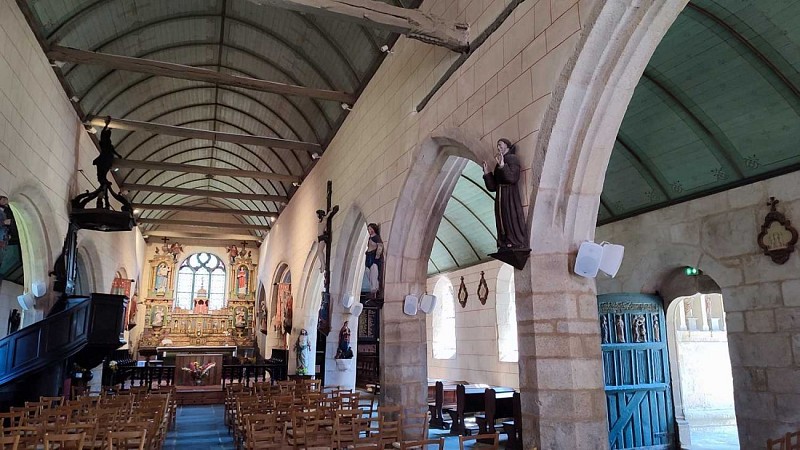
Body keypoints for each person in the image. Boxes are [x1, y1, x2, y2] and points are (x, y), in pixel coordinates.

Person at [482, 139, 528, 251]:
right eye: (497, 145)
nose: (498, 147)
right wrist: (487, 173)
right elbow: (493, 187)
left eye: (500, 145)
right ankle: (504, 241)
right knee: (501, 219)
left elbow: (512, 178)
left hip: (509, 196)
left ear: (507, 146)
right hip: (500, 197)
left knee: (510, 217)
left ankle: (514, 241)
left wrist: (503, 166)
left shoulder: (512, 159)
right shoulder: (499, 162)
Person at [364, 223, 383, 295]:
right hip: (368, 256)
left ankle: (374, 286)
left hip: (373, 256)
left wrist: (378, 254)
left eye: (370, 229)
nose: (369, 231)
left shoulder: (376, 237)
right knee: (367, 271)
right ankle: (373, 285)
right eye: (368, 229)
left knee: (374, 269)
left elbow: (380, 246)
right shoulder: (370, 238)